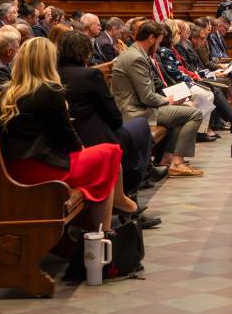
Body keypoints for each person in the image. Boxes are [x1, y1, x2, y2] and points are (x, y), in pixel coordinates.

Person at [0, 37, 131, 234]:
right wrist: (82, 149)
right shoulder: (50, 90)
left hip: (16, 167)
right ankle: (102, 233)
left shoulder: (7, 91)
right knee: (110, 152)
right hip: (44, 169)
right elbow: (68, 139)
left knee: (105, 158)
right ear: (48, 62)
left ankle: (106, 219)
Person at [55, 29, 160, 217]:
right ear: (86, 52)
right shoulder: (89, 76)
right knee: (141, 126)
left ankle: (130, 193)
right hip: (96, 139)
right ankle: (132, 192)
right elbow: (114, 116)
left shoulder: (52, 74)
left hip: (67, 141)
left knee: (135, 130)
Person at [110, 21, 205, 178]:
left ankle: (168, 159)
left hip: (142, 106)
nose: (159, 46)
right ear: (151, 38)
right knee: (194, 114)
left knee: (187, 110)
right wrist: (168, 101)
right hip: (135, 111)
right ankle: (177, 163)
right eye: (159, 41)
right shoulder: (136, 58)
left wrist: (170, 99)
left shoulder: (137, 53)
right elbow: (146, 96)